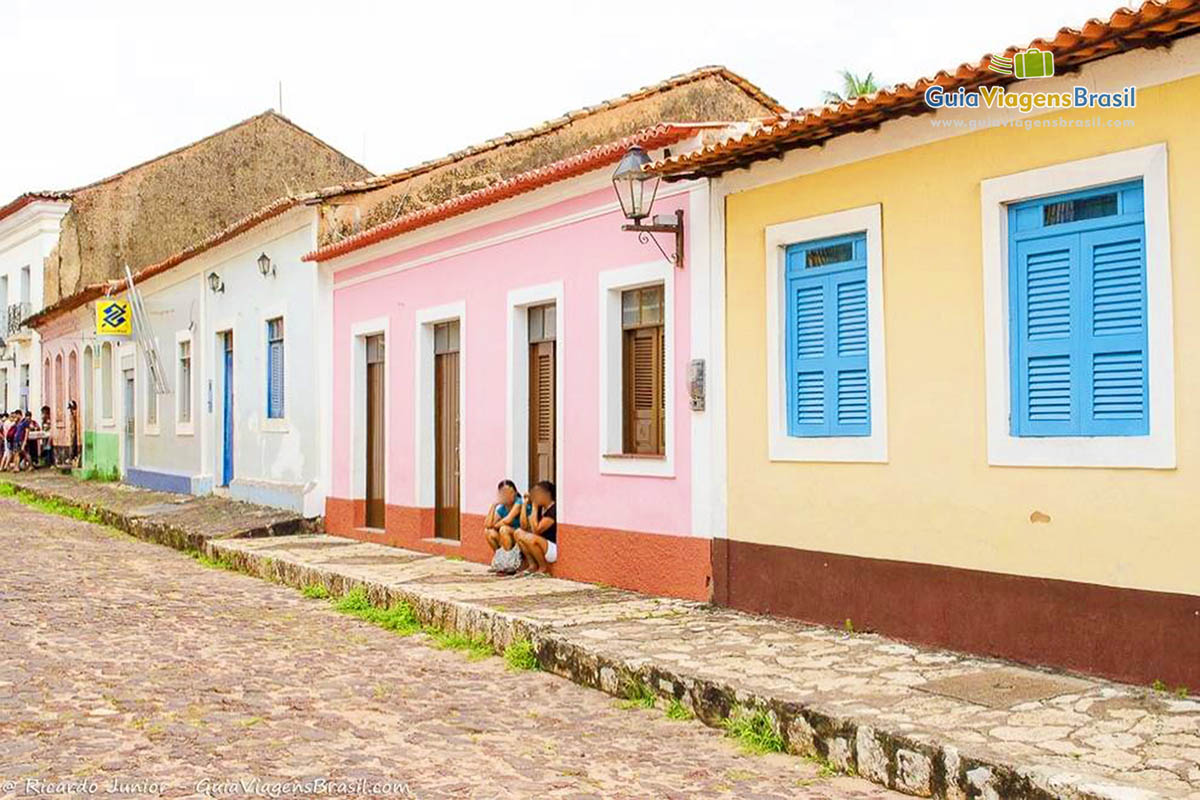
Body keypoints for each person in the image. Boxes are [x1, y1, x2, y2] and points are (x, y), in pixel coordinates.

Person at [516, 480, 557, 575]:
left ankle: (543, 568)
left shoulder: (553, 510)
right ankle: (532, 565)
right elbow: (524, 526)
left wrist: (534, 507)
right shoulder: (540, 508)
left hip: (551, 548)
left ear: (547, 494)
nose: (534, 497)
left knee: (531, 538)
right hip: (541, 544)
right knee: (518, 533)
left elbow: (536, 530)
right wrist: (525, 504)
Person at [485, 479, 525, 574]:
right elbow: (487, 525)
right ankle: (501, 560)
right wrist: (493, 506)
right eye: (504, 492)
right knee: (488, 532)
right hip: (508, 536)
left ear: (515, 492)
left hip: (521, 533)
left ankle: (508, 563)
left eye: (511, 492)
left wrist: (495, 525)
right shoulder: (502, 507)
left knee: (504, 529)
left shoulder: (518, 503)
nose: (508, 495)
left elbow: (507, 520)